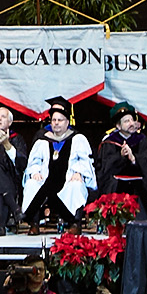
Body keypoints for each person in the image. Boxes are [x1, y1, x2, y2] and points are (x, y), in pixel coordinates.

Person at [20, 99, 94, 230]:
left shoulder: (77, 139)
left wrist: (79, 172)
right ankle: (34, 224)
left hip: (68, 178)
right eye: (54, 120)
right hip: (46, 180)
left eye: (60, 120)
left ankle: (74, 224)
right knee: (32, 184)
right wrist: (35, 172)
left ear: (67, 122)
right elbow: (34, 161)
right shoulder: (43, 140)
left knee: (76, 186)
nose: (56, 123)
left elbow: (85, 160)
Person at [93, 103, 147, 214]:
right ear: (118, 126)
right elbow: (104, 169)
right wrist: (120, 156)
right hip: (116, 186)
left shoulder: (144, 141)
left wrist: (134, 159)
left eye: (132, 120)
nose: (131, 124)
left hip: (140, 187)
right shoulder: (109, 142)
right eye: (126, 121)